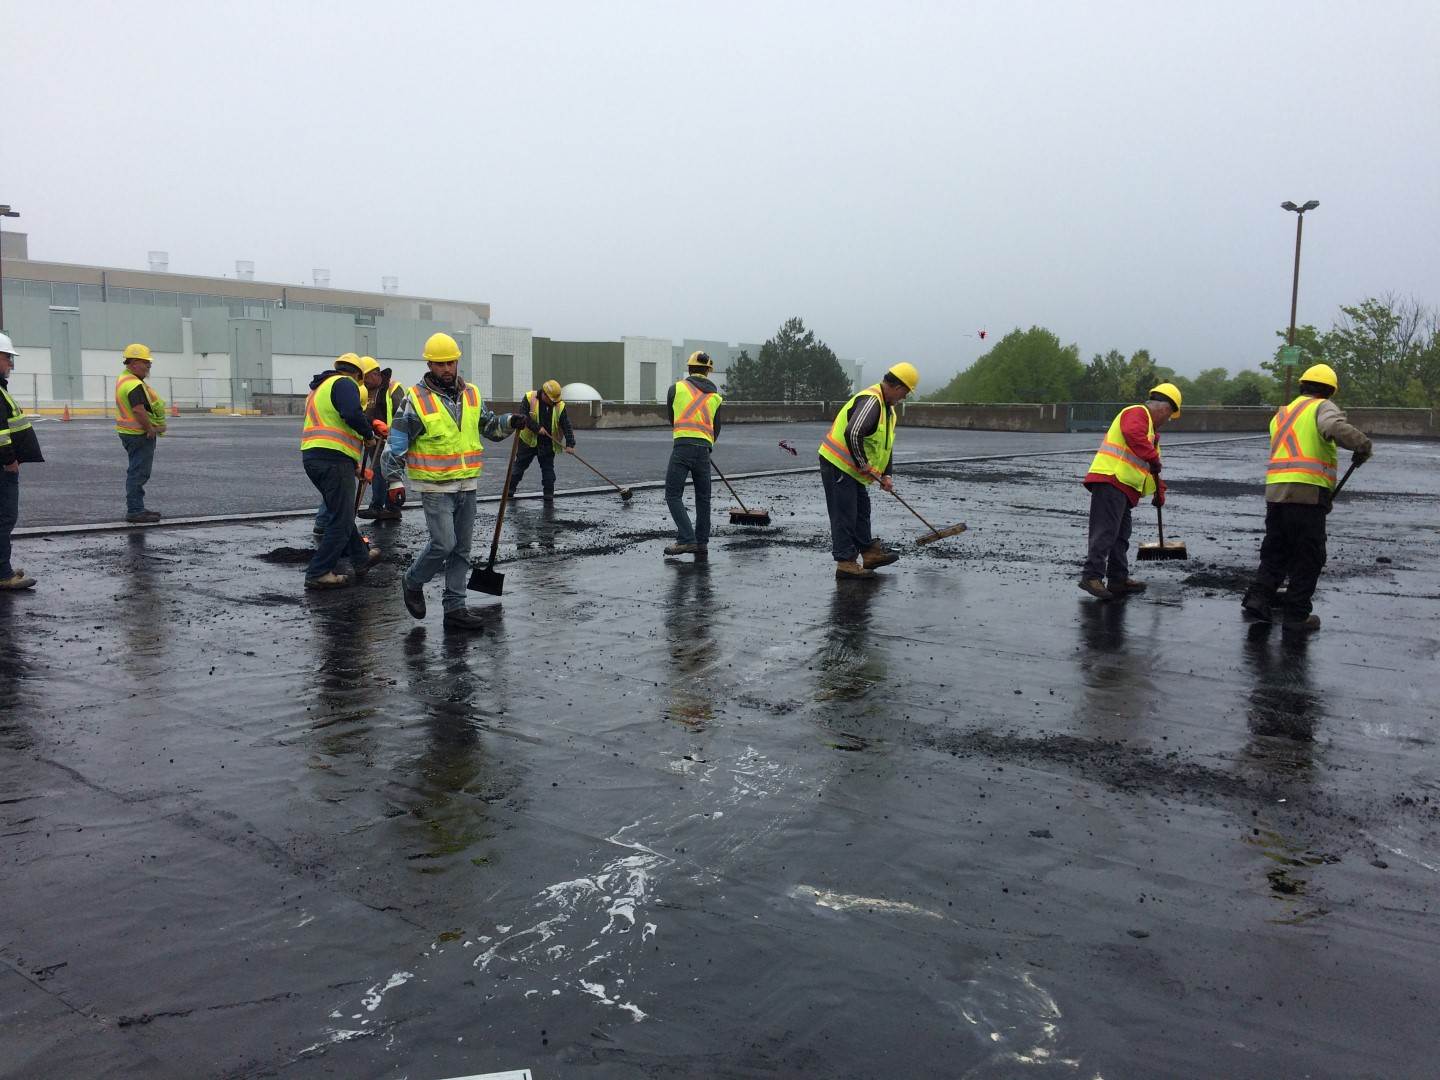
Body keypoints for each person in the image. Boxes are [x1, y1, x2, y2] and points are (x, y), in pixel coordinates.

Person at [382, 332, 525, 631]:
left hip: (467, 484)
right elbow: (397, 440)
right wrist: (393, 480)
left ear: (457, 361)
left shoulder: (472, 393)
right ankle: (412, 580)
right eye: (439, 364)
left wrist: (511, 421)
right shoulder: (416, 398)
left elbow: (489, 427)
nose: (446, 369)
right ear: (430, 365)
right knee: (444, 544)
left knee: (461, 549)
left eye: (450, 362)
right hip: (435, 486)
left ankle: (455, 607)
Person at [1241, 364, 1373, 632]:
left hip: (1276, 491)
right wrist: (1362, 444)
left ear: (1303, 385)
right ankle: (1296, 615)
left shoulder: (1283, 413)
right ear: (1328, 391)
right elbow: (1332, 427)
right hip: (1307, 492)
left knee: (1276, 549)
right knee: (1308, 554)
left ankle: (1259, 597)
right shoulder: (1321, 407)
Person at [1078, 383, 1182, 600]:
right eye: (1170, 416)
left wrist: (1159, 490)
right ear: (1164, 409)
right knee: (1106, 531)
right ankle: (1091, 576)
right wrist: (1153, 458)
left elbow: (1148, 469)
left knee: (1120, 536)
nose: (1167, 421)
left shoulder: (1151, 434)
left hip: (1124, 487)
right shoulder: (1137, 413)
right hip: (1111, 480)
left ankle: (1118, 579)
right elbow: (1132, 435)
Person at [817, 363, 917, 578]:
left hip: (853, 469)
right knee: (845, 514)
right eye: (905, 392)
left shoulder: (888, 410)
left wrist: (886, 474)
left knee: (862, 510)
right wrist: (863, 463)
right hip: (838, 464)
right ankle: (845, 563)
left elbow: (885, 445)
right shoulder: (872, 402)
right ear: (897, 387)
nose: (904, 398)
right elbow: (852, 433)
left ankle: (869, 552)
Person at [300, 353, 385, 590]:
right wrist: (368, 434)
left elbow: (334, 425)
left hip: (315, 458)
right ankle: (318, 572)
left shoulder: (319, 389)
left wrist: (355, 467)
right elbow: (350, 414)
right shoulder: (345, 383)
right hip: (332, 461)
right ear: (358, 375)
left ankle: (361, 557)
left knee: (341, 512)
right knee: (341, 518)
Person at [663, 351, 724, 557]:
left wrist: (687, 435)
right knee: (703, 497)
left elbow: (672, 418)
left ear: (689, 368)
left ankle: (687, 539)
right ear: (708, 371)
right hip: (703, 451)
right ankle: (701, 542)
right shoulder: (715, 397)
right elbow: (716, 428)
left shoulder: (676, 389)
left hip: (682, 447)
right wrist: (705, 444)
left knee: (672, 494)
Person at [0, 332, 43, 591]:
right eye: (7, 358)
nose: (11, 365)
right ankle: (3, 573)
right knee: (5, 518)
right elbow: (1, 434)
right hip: (3, 468)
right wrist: (9, 461)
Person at [114, 343, 168, 523]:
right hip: (138, 435)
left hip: (129, 433)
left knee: (136, 471)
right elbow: (138, 410)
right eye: (146, 363)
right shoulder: (134, 384)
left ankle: (138, 508)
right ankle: (135, 510)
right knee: (138, 472)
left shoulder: (124, 379)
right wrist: (150, 429)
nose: (148, 367)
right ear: (135, 363)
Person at [508, 379, 576, 500]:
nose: (553, 402)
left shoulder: (559, 405)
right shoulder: (529, 398)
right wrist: (537, 428)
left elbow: (566, 425)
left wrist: (570, 444)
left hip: (547, 443)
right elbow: (523, 416)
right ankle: (509, 491)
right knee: (519, 467)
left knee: (548, 469)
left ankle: (548, 494)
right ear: (544, 394)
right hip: (528, 441)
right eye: (551, 400)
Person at [358, 361, 407, 521]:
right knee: (377, 472)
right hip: (373, 438)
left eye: (365, 376)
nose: (363, 380)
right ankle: (385, 507)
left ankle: (383, 507)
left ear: (376, 373)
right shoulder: (364, 390)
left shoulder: (392, 388)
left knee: (382, 472)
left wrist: (391, 431)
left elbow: (402, 413)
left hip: (390, 438)